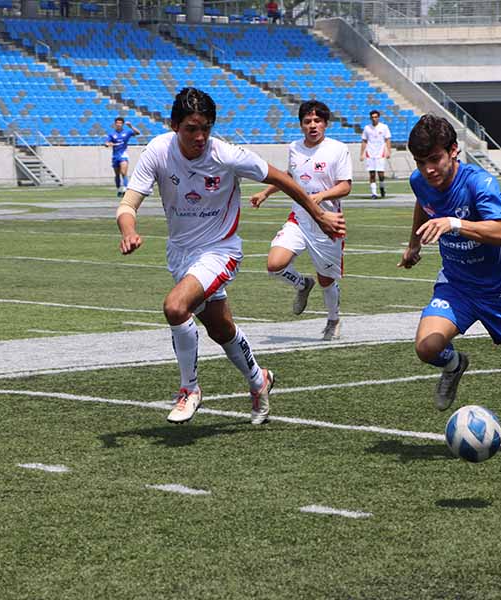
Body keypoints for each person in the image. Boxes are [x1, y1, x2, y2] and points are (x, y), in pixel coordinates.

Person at [117, 87, 345, 426]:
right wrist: (128, 230)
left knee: (175, 307)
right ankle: (259, 380)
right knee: (220, 330)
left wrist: (318, 215)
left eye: (206, 128)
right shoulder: (158, 150)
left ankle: (189, 389)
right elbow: (128, 203)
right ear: (174, 125)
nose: (200, 136)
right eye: (192, 128)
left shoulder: (225, 154)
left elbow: (282, 179)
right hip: (181, 255)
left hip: (220, 250)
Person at [398, 114, 501, 449]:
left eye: (435, 159)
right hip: (457, 285)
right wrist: (413, 245)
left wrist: (454, 223)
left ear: (453, 151)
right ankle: (454, 366)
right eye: (420, 162)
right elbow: (422, 205)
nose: (428, 170)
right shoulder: (420, 181)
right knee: (427, 347)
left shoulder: (479, 183)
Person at [250, 100, 352, 341]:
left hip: (328, 222)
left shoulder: (338, 149)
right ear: (301, 125)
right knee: (275, 265)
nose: (312, 125)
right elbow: (289, 177)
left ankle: (333, 320)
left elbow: (345, 186)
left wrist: (321, 196)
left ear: (326, 124)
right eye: (307, 122)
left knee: (326, 279)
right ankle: (301, 284)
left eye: (317, 121)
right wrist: (265, 193)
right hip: (298, 218)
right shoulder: (294, 148)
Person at [105, 117, 141, 198]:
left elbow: (138, 133)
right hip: (115, 156)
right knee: (117, 174)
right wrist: (108, 144)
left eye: (120, 123)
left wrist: (131, 126)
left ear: (122, 124)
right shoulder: (112, 134)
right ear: (115, 124)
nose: (118, 124)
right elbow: (106, 143)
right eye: (117, 123)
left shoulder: (127, 132)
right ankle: (119, 189)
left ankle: (125, 189)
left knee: (124, 173)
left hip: (123, 154)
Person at [360, 109, 391, 199]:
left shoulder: (384, 127)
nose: (374, 119)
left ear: (378, 117)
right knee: (372, 174)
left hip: (380, 153)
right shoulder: (367, 128)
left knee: (381, 174)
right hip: (370, 153)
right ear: (370, 118)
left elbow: (387, 139)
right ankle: (374, 193)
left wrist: (388, 151)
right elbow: (364, 141)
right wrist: (362, 153)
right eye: (372, 117)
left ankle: (382, 187)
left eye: (376, 117)